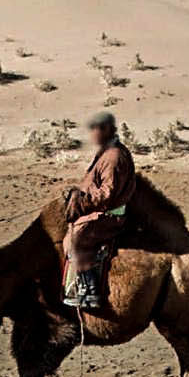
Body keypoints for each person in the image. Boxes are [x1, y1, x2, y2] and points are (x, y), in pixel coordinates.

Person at [62, 110, 135, 309]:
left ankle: (89, 291)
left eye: (96, 130)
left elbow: (107, 193)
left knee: (78, 240)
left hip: (108, 215)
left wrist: (81, 202)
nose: (92, 135)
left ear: (107, 130)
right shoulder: (107, 152)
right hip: (99, 210)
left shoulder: (114, 157)